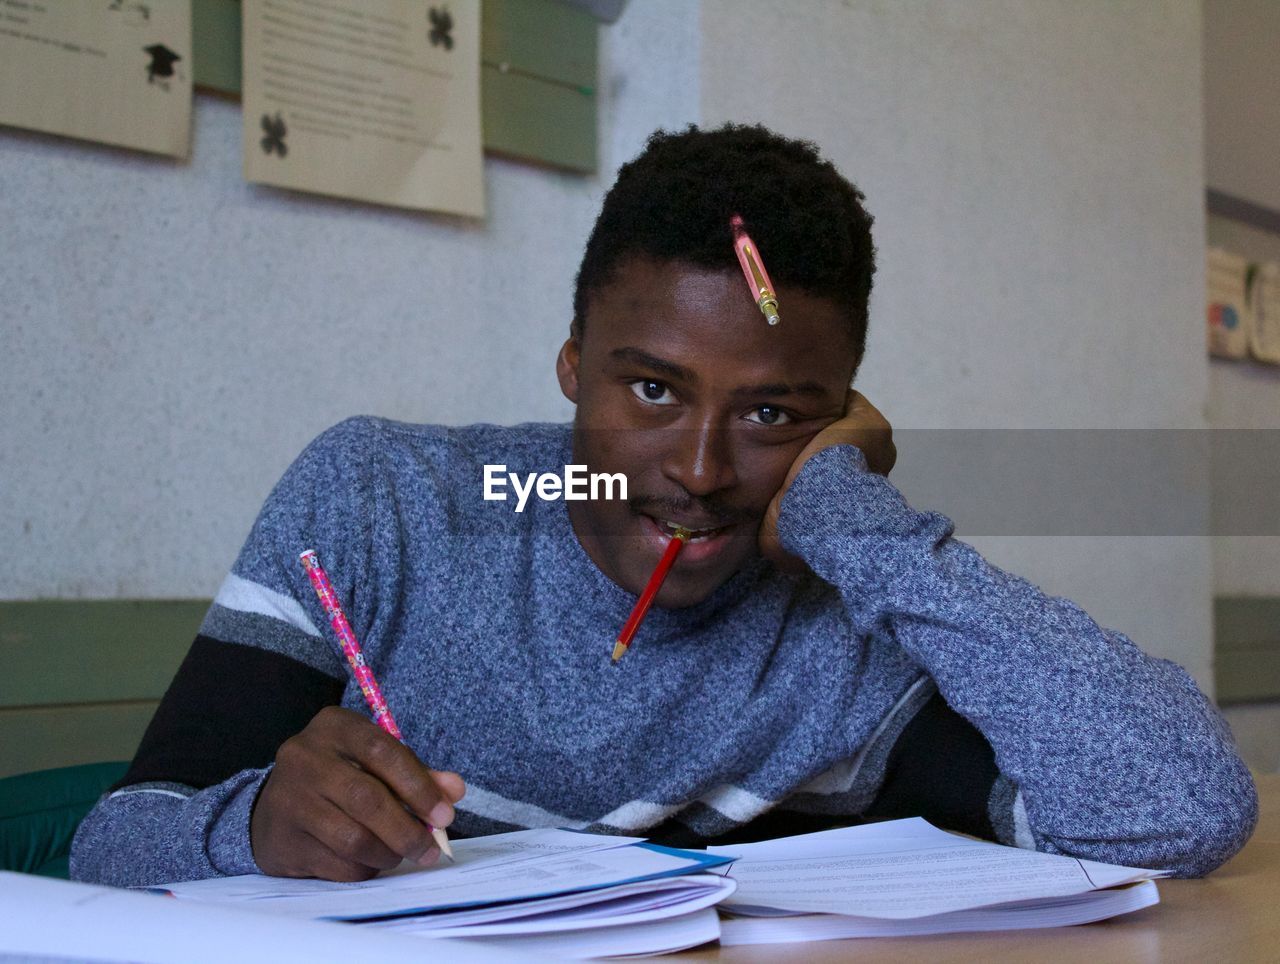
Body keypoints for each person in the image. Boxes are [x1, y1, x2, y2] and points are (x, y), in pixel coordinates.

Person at [72, 124, 1256, 887]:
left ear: (844, 416)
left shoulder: (835, 620)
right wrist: (253, 829)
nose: (694, 467)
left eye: (774, 413)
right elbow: (115, 845)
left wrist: (856, 523)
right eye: (649, 387)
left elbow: (1180, 808)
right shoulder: (384, 503)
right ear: (569, 361)